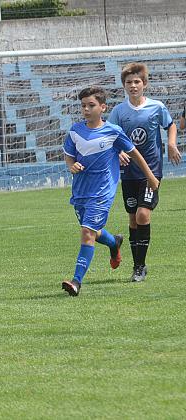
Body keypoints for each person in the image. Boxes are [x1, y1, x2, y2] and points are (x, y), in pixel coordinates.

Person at [62, 87, 160, 296]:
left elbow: (134, 153)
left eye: (91, 105)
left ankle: (76, 281)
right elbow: (69, 156)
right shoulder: (75, 131)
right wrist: (71, 165)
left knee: (87, 232)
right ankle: (114, 243)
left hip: (102, 191)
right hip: (80, 191)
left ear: (103, 107)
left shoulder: (113, 131)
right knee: (94, 232)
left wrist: (150, 176)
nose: (86, 109)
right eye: (83, 106)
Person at [107, 62, 180, 282]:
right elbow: (109, 136)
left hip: (151, 170)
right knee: (132, 219)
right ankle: (137, 265)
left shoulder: (156, 107)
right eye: (128, 82)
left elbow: (171, 125)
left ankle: (140, 267)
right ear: (124, 86)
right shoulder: (119, 111)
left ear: (144, 84)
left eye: (137, 81)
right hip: (129, 172)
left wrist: (171, 143)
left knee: (142, 214)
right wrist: (117, 151)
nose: (133, 85)